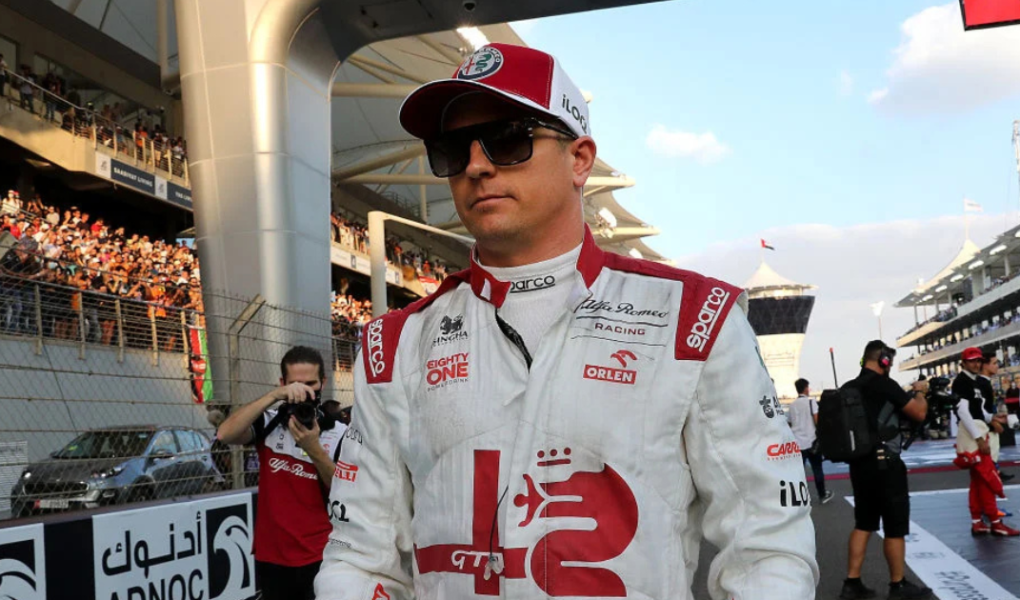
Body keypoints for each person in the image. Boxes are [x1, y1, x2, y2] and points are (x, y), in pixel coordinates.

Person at [315, 43, 818, 600]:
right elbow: (359, 558)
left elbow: (767, 547)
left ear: (580, 159)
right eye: (452, 150)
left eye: (508, 139)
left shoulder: (695, 318)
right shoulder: (394, 342)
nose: (476, 166)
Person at [217, 346, 347, 600]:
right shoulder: (270, 422)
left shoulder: (339, 432)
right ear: (283, 384)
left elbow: (345, 492)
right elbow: (224, 434)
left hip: (322, 555)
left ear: (323, 383)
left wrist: (314, 449)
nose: (304, 393)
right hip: (272, 557)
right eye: (295, 385)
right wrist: (273, 396)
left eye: (311, 384)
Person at [841, 341, 933, 600]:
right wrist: (920, 392)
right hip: (886, 464)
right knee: (894, 526)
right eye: (889, 361)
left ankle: (852, 583)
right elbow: (918, 413)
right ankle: (898, 585)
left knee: (863, 523)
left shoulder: (848, 387)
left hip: (859, 465)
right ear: (883, 360)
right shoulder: (885, 385)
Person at [951, 347, 1018, 536]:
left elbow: (978, 411)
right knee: (987, 478)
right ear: (963, 363)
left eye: (978, 360)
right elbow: (963, 412)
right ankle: (995, 522)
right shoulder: (963, 381)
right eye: (972, 360)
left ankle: (978, 521)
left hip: (976, 428)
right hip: (973, 432)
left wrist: (993, 418)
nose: (976, 364)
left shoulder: (973, 381)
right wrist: (979, 438)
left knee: (978, 480)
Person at [788, 378, 833, 504]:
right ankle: (822, 494)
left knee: (798, 472)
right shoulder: (811, 402)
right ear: (806, 388)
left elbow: (790, 423)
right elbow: (817, 420)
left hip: (797, 443)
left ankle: (798, 497)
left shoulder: (792, 405)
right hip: (812, 441)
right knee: (817, 469)